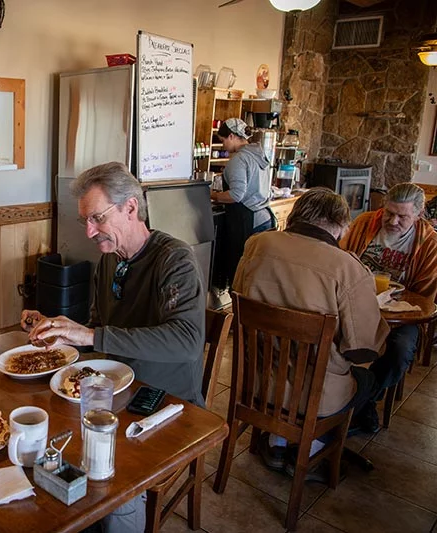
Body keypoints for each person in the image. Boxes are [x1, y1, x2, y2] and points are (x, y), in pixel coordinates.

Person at [22, 161, 206, 533]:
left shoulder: (175, 260)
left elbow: (187, 341)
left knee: (112, 479)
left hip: (168, 404)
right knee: (43, 445)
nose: (89, 232)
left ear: (131, 207)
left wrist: (91, 337)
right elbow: (99, 330)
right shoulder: (110, 261)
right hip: (117, 395)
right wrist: (63, 333)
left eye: (97, 218)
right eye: (85, 221)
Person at [232, 188, 388, 479]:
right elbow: (363, 348)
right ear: (339, 223)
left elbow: (238, 297)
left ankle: (278, 442)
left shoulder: (257, 244)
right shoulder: (347, 268)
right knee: (368, 380)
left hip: (257, 383)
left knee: (290, 368)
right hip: (314, 397)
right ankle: (313, 449)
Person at [341, 182, 437, 432]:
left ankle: (365, 400)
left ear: (418, 214)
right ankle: (330, 397)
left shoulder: (429, 243)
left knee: (400, 350)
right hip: (354, 305)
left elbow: (424, 297)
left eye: (402, 216)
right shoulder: (364, 223)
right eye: (389, 213)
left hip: (400, 314)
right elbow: (341, 260)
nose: (393, 221)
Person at [210, 117, 275, 289]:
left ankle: (237, 303)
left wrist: (212, 195)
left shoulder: (239, 160)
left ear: (232, 136)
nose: (223, 145)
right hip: (264, 217)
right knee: (255, 273)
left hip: (247, 220)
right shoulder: (259, 154)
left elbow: (236, 195)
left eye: (223, 140)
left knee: (239, 270)